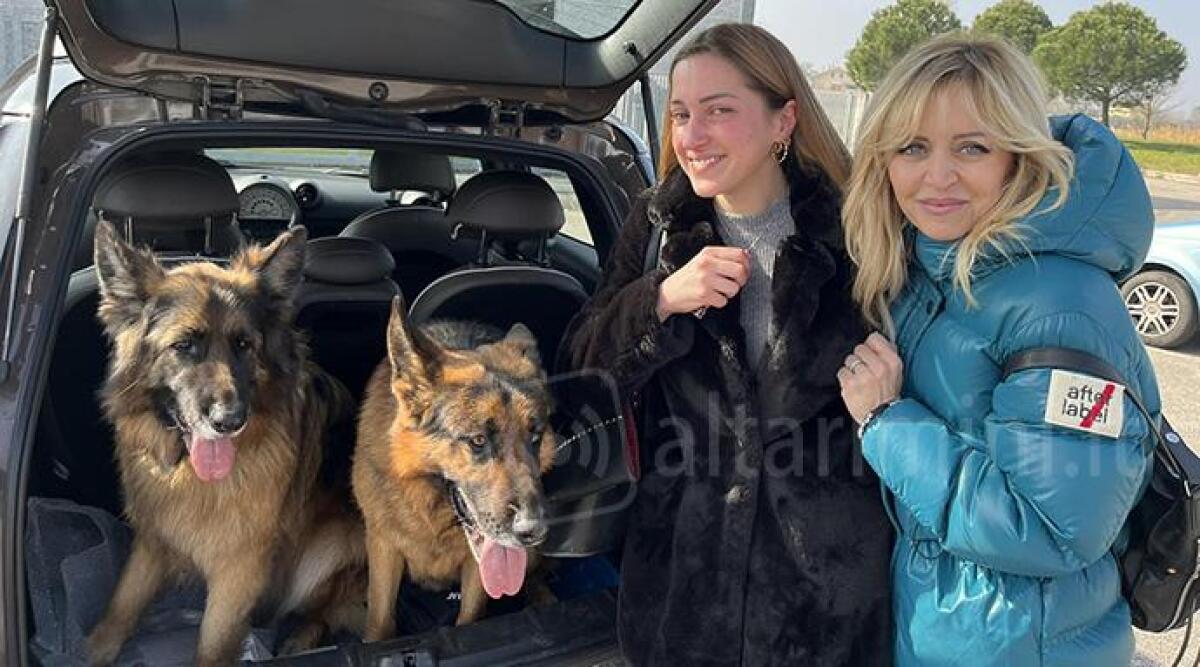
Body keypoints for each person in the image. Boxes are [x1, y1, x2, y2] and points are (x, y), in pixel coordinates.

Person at [560, 23, 892, 667]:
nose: (691, 135)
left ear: (782, 121)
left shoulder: (858, 230)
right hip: (684, 587)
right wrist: (658, 301)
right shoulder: (659, 226)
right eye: (682, 114)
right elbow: (580, 366)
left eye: (719, 111)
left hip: (825, 596)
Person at [838, 34, 1160, 666]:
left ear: (1019, 156)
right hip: (948, 628)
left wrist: (886, 421)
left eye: (973, 148)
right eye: (912, 148)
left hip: (1015, 645)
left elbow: (1052, 528)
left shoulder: (1061, 304)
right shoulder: (933, 269)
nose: (937, 176)